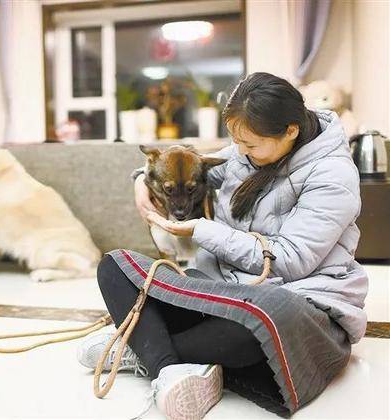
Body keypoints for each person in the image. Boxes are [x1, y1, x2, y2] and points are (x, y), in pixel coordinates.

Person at [77, 72, 368, 419]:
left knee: (262, 321)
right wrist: (142, 179)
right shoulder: (247, 153)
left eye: (250, 145)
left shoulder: (333, 175)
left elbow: (289, 261)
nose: (239, 152)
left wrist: (202, 230)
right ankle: (173, 366)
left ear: (290, 131)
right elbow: (188, 169)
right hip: (221, 289)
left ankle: (144, 350)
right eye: (235, 140)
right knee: (115, 267)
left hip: (296, 298)